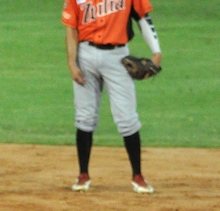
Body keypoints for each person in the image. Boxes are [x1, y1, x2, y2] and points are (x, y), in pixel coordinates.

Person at [62, 0, 162, 193]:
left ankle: (138, 176)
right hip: (85, 56)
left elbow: (143, 18)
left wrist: (156, 51)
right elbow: (71, 29)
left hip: (117, 57)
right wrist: (72, 63)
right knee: (84, 117)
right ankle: (83, 175)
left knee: (127, 118)